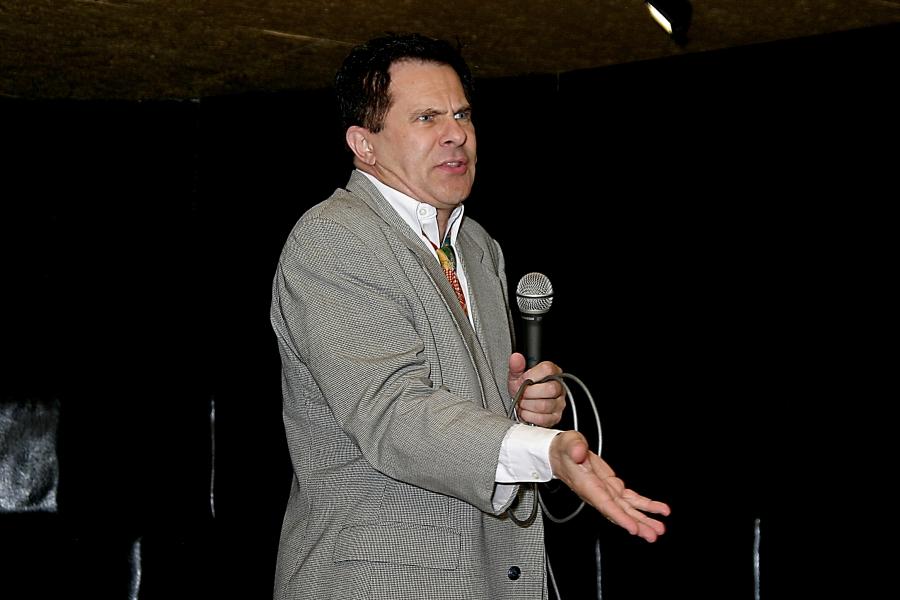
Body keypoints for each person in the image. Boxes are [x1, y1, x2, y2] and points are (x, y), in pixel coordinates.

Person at [270, 33, 670, 600]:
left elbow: (462, 409)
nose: (455, 133)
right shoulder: (335, 237)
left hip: (491, 575)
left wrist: (524, 406)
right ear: (365, 144)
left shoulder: (477, 246)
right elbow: (394, 414)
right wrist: (543, 451)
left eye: (461, 114)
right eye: (427, 117)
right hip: (382, 581)